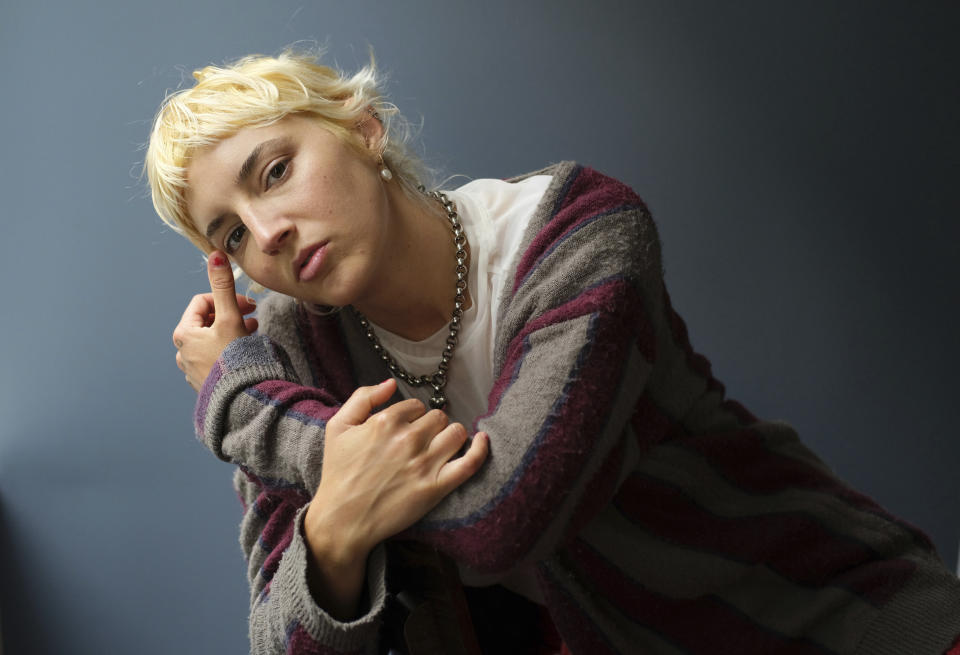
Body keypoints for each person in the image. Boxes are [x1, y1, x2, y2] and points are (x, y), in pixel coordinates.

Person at [145, 50, 960, 655]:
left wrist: (240, 400)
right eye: (231, 235)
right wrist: (330, 534)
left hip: (825, 622)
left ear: (365, 132)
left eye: (277, 170)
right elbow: (281, 642)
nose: (269, 232)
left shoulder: (579, 234)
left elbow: (504, 515)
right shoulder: (284, 353)